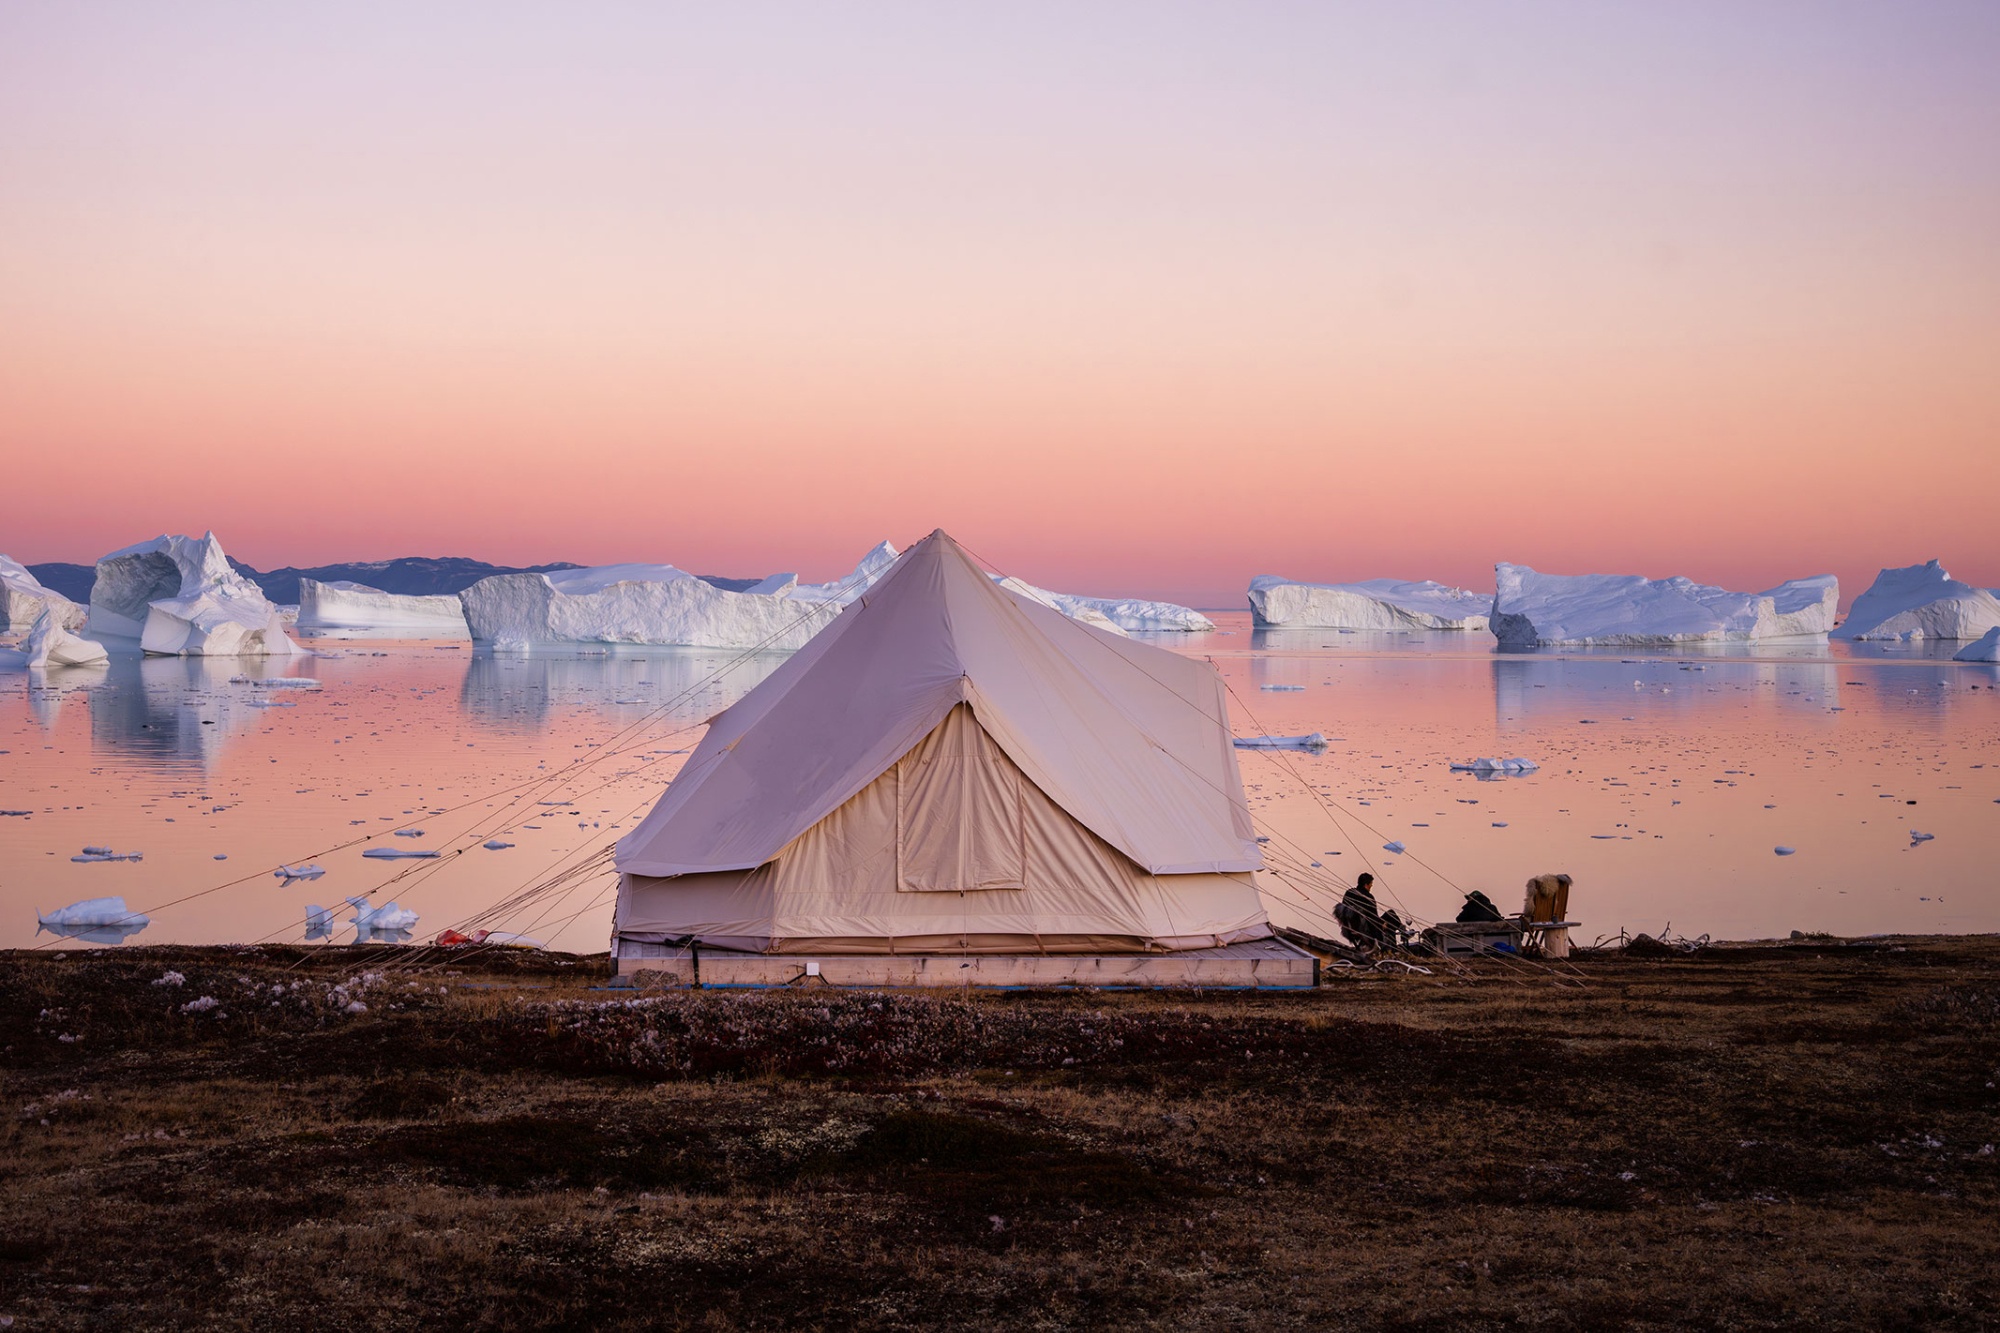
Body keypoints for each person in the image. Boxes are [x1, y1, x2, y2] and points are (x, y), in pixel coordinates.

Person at [1335, 873, 1387, 949]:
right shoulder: (1368, 897)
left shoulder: (1349, 892)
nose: (1371, 886)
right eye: (1371, 884)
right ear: (1366, 884)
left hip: (1349, 929)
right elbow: (1373, 917)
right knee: (1391, 915)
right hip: (1366, 930)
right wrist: (1382, 923)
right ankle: (1390, 947)